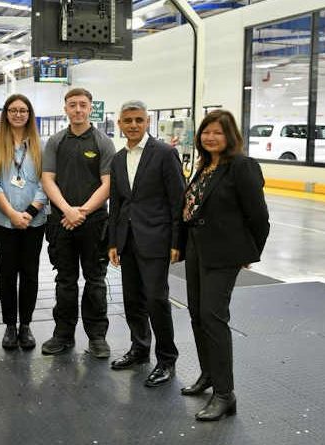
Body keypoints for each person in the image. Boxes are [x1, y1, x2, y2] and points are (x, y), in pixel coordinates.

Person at [181, 109, 269, 421]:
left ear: (230, 136)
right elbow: (191, 206)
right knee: (195, 313)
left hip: (224, 253)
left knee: (212, 317)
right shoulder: (204, 166)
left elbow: (259, 216)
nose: (211, 137)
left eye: (218, 132)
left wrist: (250, 251)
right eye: (206, 132)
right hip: (196, 248)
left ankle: (224, 394)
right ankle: (208, 374)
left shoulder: (242, 166)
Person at [107, 100, 185, 387]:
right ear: (120, 124)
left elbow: (177, 201)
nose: (133, 125)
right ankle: (140, 349)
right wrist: (113, 241)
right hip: (127, 241)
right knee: (132, 300)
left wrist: (178, 241)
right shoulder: (117, 159)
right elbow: (116, 203)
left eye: (138, 120)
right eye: (128, 120)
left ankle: (166, 358)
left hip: (156, 239)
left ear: (148, 122)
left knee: (156, 299)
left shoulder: (165, 154)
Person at [40, 87, 115, 357]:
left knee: (96, 281)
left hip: (94, 223)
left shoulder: (103, 142)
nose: (78, 110)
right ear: (66, 109)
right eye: (73, 105)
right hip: (61, 222)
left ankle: (97, 337)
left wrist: (80, 212)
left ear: (90, 107)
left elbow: (108, 184)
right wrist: (66, 210)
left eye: (83, 105)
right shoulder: (56, 142)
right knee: (65, 281)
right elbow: (47, 178)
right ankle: (63, 334)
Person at [0, 94, 47, 350]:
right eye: (13, 110)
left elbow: (48, 182)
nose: (18, 114)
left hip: (35, 222)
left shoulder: (41, 147)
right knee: (7, 274)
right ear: (6, 114)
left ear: (29, 114)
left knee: (30, 274)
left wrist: (30, 213)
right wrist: (12, 213)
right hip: (3, 221)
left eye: (23, 110)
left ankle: (26, 325)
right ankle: (10, 325)